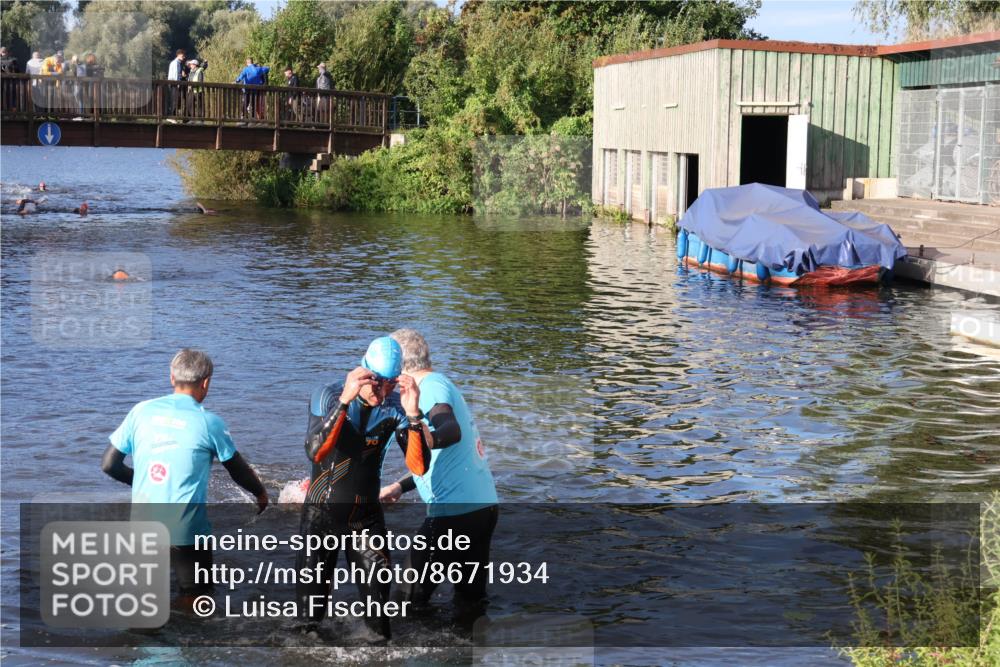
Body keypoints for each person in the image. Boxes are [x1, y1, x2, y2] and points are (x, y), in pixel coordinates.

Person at [101, 348, 269, 607]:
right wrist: (260, 494)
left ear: (171, 378)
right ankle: (181, 640)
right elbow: (237, 469)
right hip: (186, 528)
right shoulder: (209, 422)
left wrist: (146, 483)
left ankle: (146, 642)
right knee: (197, 597)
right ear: (206, 382)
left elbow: (109, 465)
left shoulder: (140, 411)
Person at [296, 337, 431, 639]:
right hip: (321, 517)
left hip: (366, 519)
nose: (382, 393)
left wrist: (413, 414)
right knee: (307, 628)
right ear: (363, 371)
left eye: (390, 384)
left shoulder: (394, 408)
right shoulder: (328, 395)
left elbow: (420, 467)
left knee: (380, 628)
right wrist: (346, 399)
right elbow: (315, 451)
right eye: (376, 382)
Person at [381, 329, 499, 608]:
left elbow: (450, 429)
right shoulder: (440, 382)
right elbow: (438, 459)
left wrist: (427, 437)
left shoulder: (428, 387)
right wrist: (400, 486)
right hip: (482, 509)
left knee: (403, 603)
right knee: (470, 600)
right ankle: (468, 648)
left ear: (399, 368)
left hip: (453, 515)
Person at [166, 49, 186, 119]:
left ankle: (173, 116)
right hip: (174, 84)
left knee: (176, 100)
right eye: (183, 56)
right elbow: (176, 74)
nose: (184, 57)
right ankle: (171, 117)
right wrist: (178, 84)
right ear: (179, 55)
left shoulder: (177, 63)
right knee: (174, 100)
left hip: (174, 83)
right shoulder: (176, 63)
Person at [1, 46, 19, 112]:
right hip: (11, 81)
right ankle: (12, 113)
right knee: (12, 97)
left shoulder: (13, 60)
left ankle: (5, 112)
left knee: (6, 97)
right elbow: (18, 70)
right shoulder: (14, 59)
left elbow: (17, 70)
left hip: (6, 81)